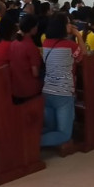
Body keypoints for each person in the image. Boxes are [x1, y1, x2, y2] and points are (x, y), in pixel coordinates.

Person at [40, 13, 86, 150]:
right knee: (64, 134)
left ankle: (26, 138)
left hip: (47, 91)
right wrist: (77, 34)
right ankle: (30, 142)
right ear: (62, 27)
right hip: (63, 94)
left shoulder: (45, 43)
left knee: (51, 127)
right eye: (68, 23)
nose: (70, 25)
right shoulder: (70, 46)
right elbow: (83, 54)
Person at [8, 15, 42, 104]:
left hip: (16, 88)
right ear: (32, 28)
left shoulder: (13, 43)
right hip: (30, 90)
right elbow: (35, 73)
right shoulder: (31, 47)